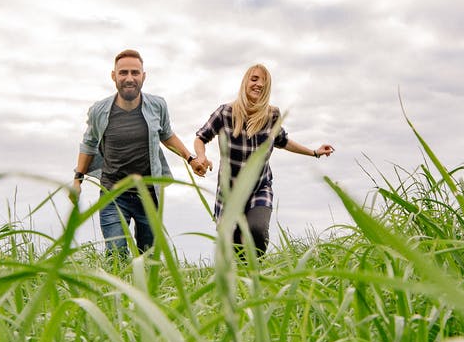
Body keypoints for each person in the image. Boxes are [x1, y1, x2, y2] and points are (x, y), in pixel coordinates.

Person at [191, 63, 334, 258]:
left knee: (257, 231)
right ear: (245, 82)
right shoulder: (225, 113)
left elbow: (283, 141)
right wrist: (201, 157)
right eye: (254, 79)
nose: (259, 85)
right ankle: (243, 281)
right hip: (230, 191)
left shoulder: (272, 115)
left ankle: (256, 274)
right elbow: (201, 137)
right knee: (233, 243)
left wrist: (314, 152)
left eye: (264, 82)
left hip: (259, 187)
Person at [71, 49, 198, 258]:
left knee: (147, 258)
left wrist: (190, 159)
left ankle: (143, 291)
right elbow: (89, 144)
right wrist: (77, 180)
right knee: (115, 255)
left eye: (135, 73)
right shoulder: (99, 111)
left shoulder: (157, 106)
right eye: (123, 73)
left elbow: (167, 135)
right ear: (114, 76)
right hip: (112, 194)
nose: (129, 78)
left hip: (148, 195)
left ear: (143, 76)